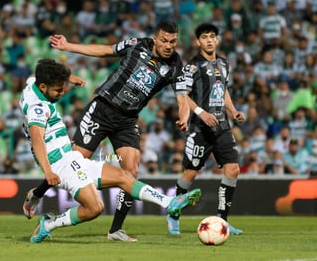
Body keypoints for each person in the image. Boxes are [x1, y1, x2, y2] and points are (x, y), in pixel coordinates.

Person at [24, 21, 191, 242]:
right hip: (101, 110)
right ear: (155, 37)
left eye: (172, 41)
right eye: (164, 40)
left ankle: (115, 230)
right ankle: (37, 193)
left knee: (131, 170)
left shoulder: (175, 65)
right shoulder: (137, 44)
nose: (168, 46)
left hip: (127, 120)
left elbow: (182, 98)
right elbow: (105, 50)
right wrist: (68, 46)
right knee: (73, 161)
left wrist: (184, 116)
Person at [167, 23, 245, 236]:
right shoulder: (192, 66)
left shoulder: (223, 62)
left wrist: (233, 111)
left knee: (233, 169)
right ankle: (173, 214)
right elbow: (184, 96)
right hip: (200, 128)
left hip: (222, 127)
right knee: (190, 173)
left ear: (217, 40)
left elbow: (223, 90)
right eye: (204, 37)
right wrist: (201, 112)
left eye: (212, 36)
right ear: (198, 42)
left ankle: (222, 221)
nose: (209, 40)